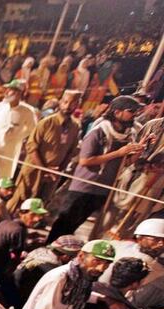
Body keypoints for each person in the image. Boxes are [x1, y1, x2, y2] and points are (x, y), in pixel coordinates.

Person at [48, 96, 145, 241]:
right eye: (131, 111)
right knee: (64, 223)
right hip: (85, 186)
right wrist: (119, 153)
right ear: (117, 112)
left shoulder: (127, 136)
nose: (134, 115)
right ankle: (49, 248)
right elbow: (85, 160)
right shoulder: (99, 131)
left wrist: (138, 150)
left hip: (103, 188)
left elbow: (124, 163)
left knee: (76, 225)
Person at [21, 239, 120, 309]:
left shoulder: (80, 277)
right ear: (81, 256)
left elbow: (74, 296)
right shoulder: (61, 279)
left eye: (106, 264)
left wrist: (104, 299)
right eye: (96, 261)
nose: (101, 269)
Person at [9, 90, 82, 211]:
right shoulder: (46, 122)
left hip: (52, 176)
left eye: (72, 103)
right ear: (60, 102)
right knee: (20, 203)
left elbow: (71, 151)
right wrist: (45, 169)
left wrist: (58, 171)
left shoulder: (75, 127)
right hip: (34, 171)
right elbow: (31, 147)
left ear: (77, 105)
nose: (68, 106)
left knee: (40, 205)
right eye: (65, 102)